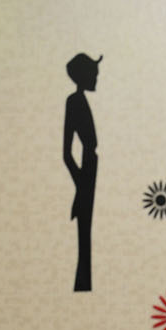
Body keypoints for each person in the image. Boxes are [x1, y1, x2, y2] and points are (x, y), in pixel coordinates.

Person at [63, 53, 101, 293]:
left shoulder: (81, 101)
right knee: (83, 230)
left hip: (91, 166)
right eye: (94, 74)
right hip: (87, 168)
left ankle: (84, 282)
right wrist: (80, 184)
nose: (96, 79)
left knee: (87, 228)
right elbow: (66, 153)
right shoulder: (74, 102)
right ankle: (82, 283)